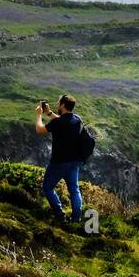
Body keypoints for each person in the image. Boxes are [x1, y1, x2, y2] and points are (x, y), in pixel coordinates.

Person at [35, 94, 84, 224]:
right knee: (74, 189)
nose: (57, 105)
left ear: (63, 105)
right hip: (74, 161)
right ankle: (76, 218)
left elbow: (40, 129)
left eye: (58, 103)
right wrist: (50, 113)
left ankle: (60, 215)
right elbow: (63, 120)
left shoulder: (58, 122)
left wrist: (39, 114)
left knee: (47, 188)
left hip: (59, 162)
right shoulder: (77, 119)